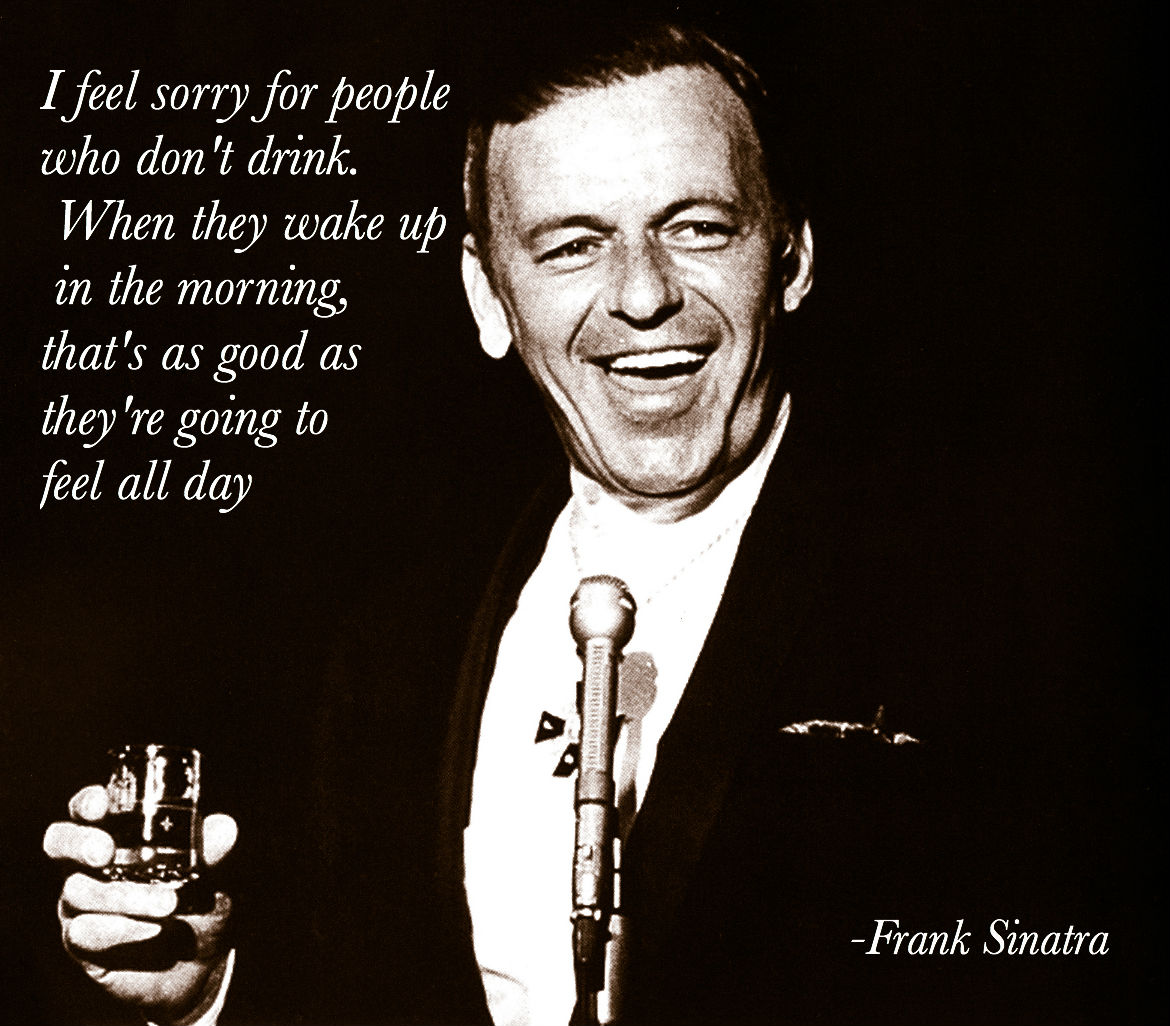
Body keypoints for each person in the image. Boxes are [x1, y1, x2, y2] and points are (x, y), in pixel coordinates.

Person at [40, 15, 1106, 1026]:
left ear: (793, 256)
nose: (642, 296)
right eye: (571, 246)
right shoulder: (397, 642)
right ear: (488, 298)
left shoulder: (1003, 602)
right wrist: (205, 993)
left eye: (697, 228)